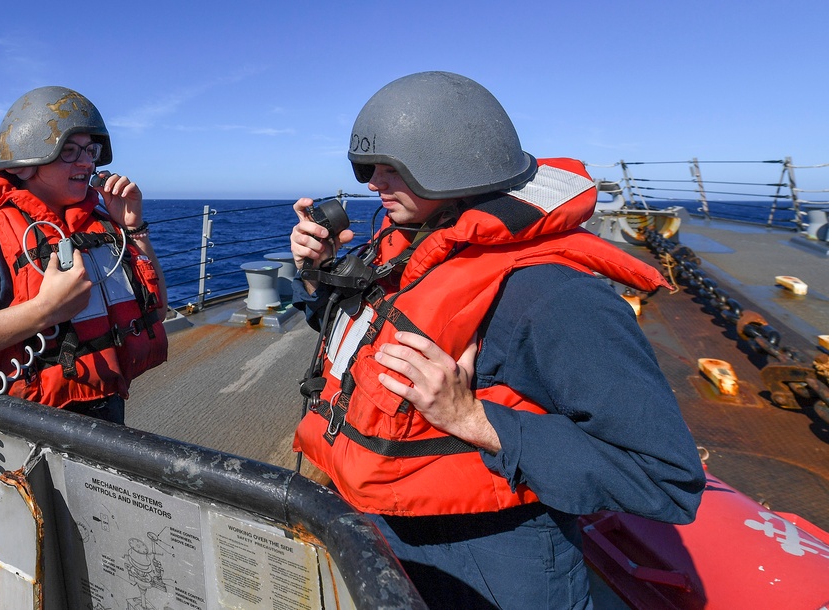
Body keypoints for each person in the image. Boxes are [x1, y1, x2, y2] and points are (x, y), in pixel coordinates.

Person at [289, 71, 705, 608]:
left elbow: (663, 476)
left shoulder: (553, 298)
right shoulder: (408, 249)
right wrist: (318, 274)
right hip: (389, 532)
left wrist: (472, 419)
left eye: (390, 169)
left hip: (495, 564)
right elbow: (362, 350)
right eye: (370, 168)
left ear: (450, 167)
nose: (373, 184)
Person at [0, 86, 168, 425]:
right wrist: (43, 310)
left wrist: (134, 228)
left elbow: (157, 309)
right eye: (69, 151)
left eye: (89, 150)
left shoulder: (98, 224)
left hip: (104, 424)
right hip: (20, 437)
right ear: (24, 166)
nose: (86, 162)